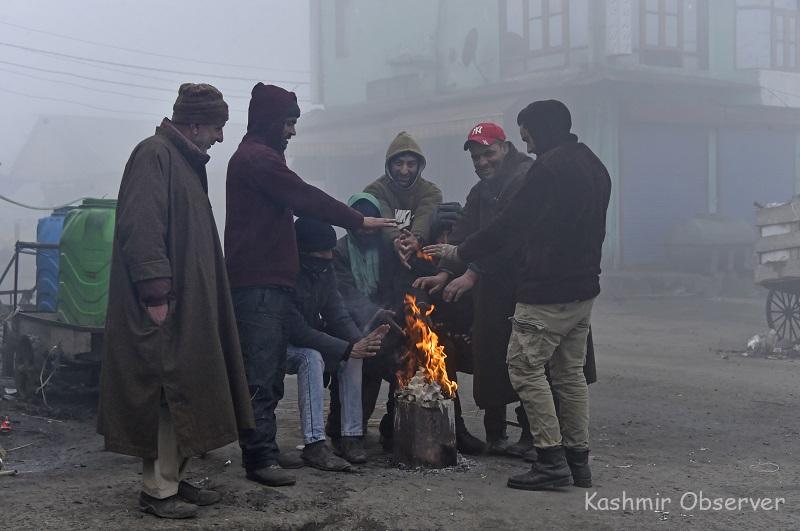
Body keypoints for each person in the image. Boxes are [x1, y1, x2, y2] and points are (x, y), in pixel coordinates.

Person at [424, 100, 611, 490]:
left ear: (540, 130)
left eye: (527, 135)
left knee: (525, 369)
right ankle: (578, 460)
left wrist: (462, 255)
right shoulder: (593, 163)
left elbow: (510, 226)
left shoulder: (543, 171)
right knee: (568, 374)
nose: (527, 144)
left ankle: (549, 458)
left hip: (545, 288)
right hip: (582, 289)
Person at [225, 83, 394, 488]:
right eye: (288, 123)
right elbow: (303, 196)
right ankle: (259, 456)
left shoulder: (260, 157)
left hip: (267, 282)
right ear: (271, 122)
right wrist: (356, 220)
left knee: (268, 374)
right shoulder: (257, 160)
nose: (292, 132)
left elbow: (335, 308)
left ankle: (264, 447)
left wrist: (355, 341)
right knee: (263, 374)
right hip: (258, 285)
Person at [98, 83, 254, 519]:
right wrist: (155, 290)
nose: (221, 138)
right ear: (196, 123)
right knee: (166, 390)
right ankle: (158, 490)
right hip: (165, 303)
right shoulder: (155, 155)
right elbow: (142, 227)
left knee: (189, 385)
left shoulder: (183, 161)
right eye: (218, 128)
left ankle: (175, 476)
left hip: (187, 302)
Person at [414, 122, 534, 457]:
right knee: (491, 358)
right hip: (492, 291)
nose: (482, 162)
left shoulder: (524, 178)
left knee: (528, 361)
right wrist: (443, 273)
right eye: (476, 157)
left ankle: (531, 434)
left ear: (506, 147)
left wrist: (471, 274)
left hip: (524, 286)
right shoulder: (481, 191)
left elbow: (509, 237)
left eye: (488, 153)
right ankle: (496, 434)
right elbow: (464, 233)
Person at [332, 193, 484, 455]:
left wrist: (416, 317)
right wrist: (376, 314)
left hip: (400, 323)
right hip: (354, 324)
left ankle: (405, 426)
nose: (366, 232)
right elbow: (344, 294)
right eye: (361, 224)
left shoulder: (451, 255)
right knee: (364, 354)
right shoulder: (341, 251)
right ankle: (349, 432)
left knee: (423, 353)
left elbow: (408, 287)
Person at [285, 217, 389, 471]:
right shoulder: (286, 275)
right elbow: (297, 330)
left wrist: (358, 342)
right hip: (280, 345)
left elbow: (337, 312)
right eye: (323, 251)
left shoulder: (324, 270)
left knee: (354, 358)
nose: (329, 256)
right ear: (304, 251)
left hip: (310, 337)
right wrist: (345, 347)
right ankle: (315, 444)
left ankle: (350, 437)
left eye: (331, 250)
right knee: (312, 358)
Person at [364, 132, 443, 266]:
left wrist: (416, 238)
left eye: (411, 164)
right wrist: (395, 240)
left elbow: (425, 215)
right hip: (382, 260)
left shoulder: (431, 192)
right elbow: (384, 217)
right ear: (389, 165)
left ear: (419, 166)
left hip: (422, 259)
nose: (404, 171)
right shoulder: (375, 190)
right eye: (399, 164)